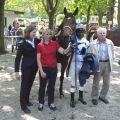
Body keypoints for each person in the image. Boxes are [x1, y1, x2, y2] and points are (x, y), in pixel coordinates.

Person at [37, 28, 73, 111]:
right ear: (43, 35)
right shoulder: (40, 45)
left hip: (53, 69)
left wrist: (70, 47)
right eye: (47, 34)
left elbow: (63, 52)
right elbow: (38, 59)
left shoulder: (55, 44)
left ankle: (51, 102)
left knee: (51, 86)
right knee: (42, 86)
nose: (49, 36)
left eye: (50, 34)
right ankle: (41, 102)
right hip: (44, 68)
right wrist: (41, 71)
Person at [14, 25, 40, 113]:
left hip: (34, 68)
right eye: (33, 32)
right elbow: (18, 58)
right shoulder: (23, 44)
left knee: (30, 84)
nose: (35, 34)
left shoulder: (36, 41)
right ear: (28, 33)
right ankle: (23, 105)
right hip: (26, 68)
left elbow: (47, 38)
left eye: (35, 32)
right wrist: (16, 72)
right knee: (24, 86)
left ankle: (27, 100)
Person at [68, 23, 90, 108]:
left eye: (82, 31)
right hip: (74, 63)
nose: (80, 33)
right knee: (73, 82)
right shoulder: (72, 41)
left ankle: (80, 97)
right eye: (78, 31)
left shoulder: (86, 42)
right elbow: (67, 53)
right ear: (76, 32)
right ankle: (72, 99)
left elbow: (88, 54)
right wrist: (71, 47)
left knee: (82, 80)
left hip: (82, 64)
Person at [90, 27, 115, 105]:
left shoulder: (110, 42)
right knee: (96, 82)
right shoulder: (93, 43)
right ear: (97, 34)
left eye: (104, 33)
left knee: (106, 83)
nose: (102, 34)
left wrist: (112, 60)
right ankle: (94, 97)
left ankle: (102, 96)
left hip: (107, 63)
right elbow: (90, 54)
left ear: (106, 34)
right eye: (100, 33)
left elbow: (113, 51)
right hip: (98, 63)